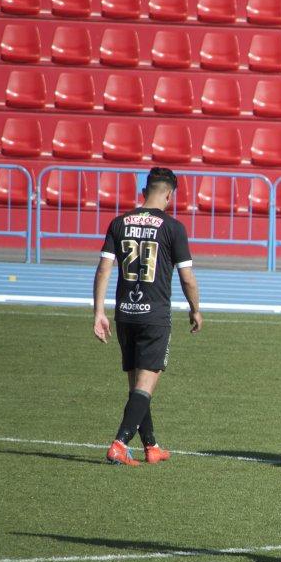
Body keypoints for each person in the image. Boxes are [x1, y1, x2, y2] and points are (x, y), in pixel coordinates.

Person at [93, 167, 201, 466]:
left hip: (124, 313)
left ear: (144, 191)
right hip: (154, 316)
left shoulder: (119, 223)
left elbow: (103, 269)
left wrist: (99, 312)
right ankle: (119, 443)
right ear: (169, 194)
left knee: (137, 386)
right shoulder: (173, 227)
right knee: (145, 385)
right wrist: (195, 309)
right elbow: (187, 278)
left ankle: (151, 446)